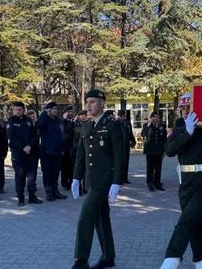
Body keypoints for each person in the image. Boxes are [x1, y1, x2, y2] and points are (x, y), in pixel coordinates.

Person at [159, 93, 202, 269]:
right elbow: (169, 150)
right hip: (185, 185)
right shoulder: (179, 126)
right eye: (182, 108)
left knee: (186, 221)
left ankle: (171, 258)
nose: (185, 112)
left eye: (189, 108)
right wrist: (187, 132)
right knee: (194, 224)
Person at [71, 89, 124, 269]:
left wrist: (117, 181)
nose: (88, 105)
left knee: (86, 216)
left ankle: (81, 259)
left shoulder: (112, 124)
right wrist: (76, 178)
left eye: (93, 102)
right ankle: (109, 256)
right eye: (87, 102)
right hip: (90, 180)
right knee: (102, 218)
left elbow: (119, 155)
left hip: (105, 181)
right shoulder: (86, 125)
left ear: (102, 103)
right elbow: (81, 154)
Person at [6, 102, 41, 206]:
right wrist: (23, 147)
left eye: (19, 109)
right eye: (15, 109)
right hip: (18, 153)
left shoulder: (29, 121)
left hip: (31, 153)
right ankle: (20, 198)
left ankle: (32, 196)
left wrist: (29, 146)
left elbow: (35, 136)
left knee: (32, 176)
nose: (17, 111)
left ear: (23, 110)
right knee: (20, 176)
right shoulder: (11, 121)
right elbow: (11, 137)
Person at [37, 102, 68, 201]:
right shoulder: (44, 119)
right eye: (53, 108)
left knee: (55, 173)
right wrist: (44, 113)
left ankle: (56, 191)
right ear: (48, 110)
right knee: (47, 173)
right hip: (46, 152)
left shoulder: (59, 121)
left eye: (56, 108)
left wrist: (63, 148)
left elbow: (62, 135)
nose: (55, 110)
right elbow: (38, 125)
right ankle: (49, 192)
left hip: (57, 151)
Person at [141, 111, 167, 191]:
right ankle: (150, 183)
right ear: (151, 117)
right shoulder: (147, 125)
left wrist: (165, 150)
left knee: (158, 168)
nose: (155, 118)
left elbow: (164, 139)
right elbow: (143, 134)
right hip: (150, 150)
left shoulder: (162, 126)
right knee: (150, 168)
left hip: (159, 151)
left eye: (157, 116)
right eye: (154, 116)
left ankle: (157, 184)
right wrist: (148, 125)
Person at [117, 110, 136, 184]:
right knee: (120, 162)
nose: (124, 117)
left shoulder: (128, 123)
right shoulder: (116, 123)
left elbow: (130, 133)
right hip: (119, 145)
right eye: (122, 116)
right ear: (119, 116)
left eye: (124, 116)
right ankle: (120, 178)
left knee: (126, 161)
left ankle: (125, 178)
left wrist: (133, 141)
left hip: (126, 144)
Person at [59, 106, 75, 190]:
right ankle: (65, 183)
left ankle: (71, 182)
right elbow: (63, 131)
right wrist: (65, 120)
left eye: (72, 112)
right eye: (69, 112)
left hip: (71, 148)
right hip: (64, 148)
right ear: (64, 113)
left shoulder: (73, 122)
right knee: (64, 167)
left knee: (71, 167)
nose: (71, 114)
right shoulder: (61, 122)